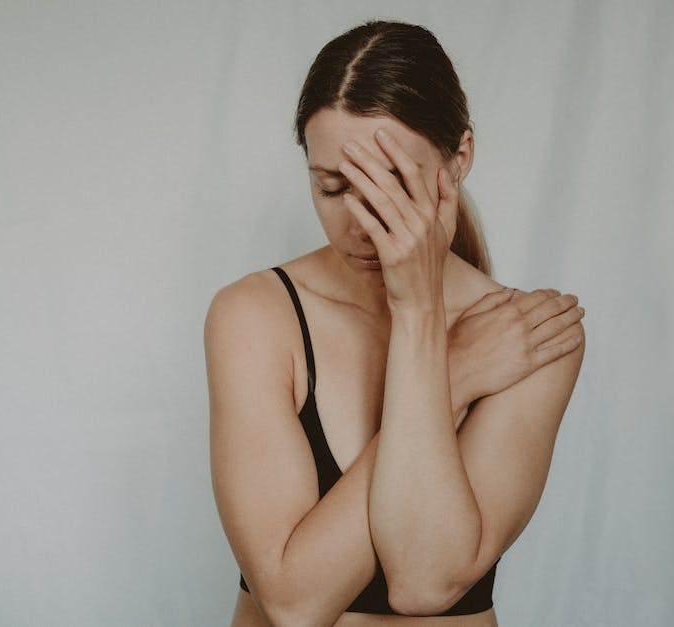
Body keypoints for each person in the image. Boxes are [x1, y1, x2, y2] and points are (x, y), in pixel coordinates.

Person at [204, 20, 585, 627]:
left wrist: (418, 314)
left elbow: (424, 579)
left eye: (389, 188)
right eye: (333, 187)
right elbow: (292, 602)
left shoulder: (529, 334)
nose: (361, 222)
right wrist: (453, 373)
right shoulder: (255, 315)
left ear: (457, 161)